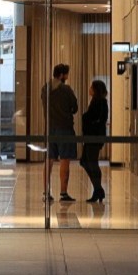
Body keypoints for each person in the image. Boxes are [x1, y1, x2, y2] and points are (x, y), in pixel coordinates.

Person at [41, 63, 78, 202]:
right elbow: (75, 107)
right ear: (62, 75)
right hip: (65, 128)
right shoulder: (66, 89)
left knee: (48, 160)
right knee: (64, 160)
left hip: (50, 128)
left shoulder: (45, 89)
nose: (67, 77)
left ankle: (46, 192)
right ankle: (63, 192)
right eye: (67, 74)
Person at [80, 79, 109, 203]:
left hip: (94, 137)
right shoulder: (96, 101)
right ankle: (98, 189)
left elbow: (95, 118)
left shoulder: (101, 102)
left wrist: (85, 117)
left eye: (91, 87)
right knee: (85, 161)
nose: (89, 89)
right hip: (91, 137)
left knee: (91, 163)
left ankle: (98, 190)